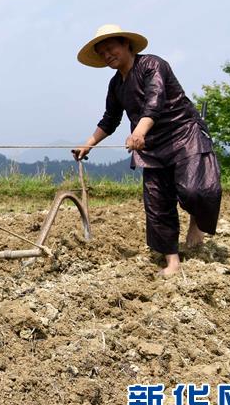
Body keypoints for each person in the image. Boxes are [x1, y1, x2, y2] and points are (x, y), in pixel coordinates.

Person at [72, 24, 222, 277]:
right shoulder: (116, 85)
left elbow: (155, 101)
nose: (108, 55)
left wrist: (139, 131)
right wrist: (88, 145)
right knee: (157, 203)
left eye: (111, 49)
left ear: (126, 45)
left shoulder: (152, 65)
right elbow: (110, 119)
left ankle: (196, 221)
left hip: (183, 134)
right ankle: (172, 261)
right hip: (151, 146)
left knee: (196, 190)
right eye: (102, 53)